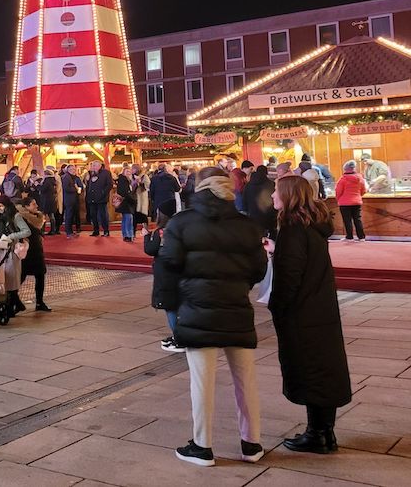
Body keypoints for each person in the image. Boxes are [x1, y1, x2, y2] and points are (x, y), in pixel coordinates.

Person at [159, 167, 268, 467]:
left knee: (202, 381)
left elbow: (170, 261)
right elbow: (259, 269)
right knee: (245, 380)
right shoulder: (247, 225)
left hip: (197, 310)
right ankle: (251, 443)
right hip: (236, 309)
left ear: (198, 187)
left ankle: (202, 446)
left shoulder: (181, 222)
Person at [271, 174, 352, 453]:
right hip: (321, 308)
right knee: (323, 368)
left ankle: (317, 434)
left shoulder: (293, 228)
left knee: (309, 370)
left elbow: (290, 276)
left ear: (289, 196)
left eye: (276, 191)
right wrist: (276, 251)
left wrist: (277, 306)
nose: (272, 196)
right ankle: (324, 431)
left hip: (302, 312)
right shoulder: (313, 225)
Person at [143, 225, 182, 352]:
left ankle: (180, 339)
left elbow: (150, 249)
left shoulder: (161, 230)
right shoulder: (184, 226)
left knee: (170, 307)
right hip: (182, 271)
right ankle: (182, 336)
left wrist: (146, 236)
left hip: (166, 273)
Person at [0, 194, 31, 315]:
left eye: (1, 206)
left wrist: (11, 236)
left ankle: (11, 306)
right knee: (6, 278)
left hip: (12, 251)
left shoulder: (16, 216)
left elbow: (26, 231)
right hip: (2, 250)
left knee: (11, 278)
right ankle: (16, 304)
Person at [15, 196, 50, 311]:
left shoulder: (38, 217)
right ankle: (12, 300)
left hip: (37, 249)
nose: (36, 206)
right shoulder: (21, 217)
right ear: (26, 207)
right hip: (27, 249)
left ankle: (39, 302)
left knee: (40, 275)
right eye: (33, 204)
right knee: (21, 276)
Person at [335, 160, 367, 241]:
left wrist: (338, 199)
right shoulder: (360, 178)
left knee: (347, 220)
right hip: (357, 202)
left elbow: (338, 192)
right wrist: (358, 196)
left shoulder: (342, 180)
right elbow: (364, 190)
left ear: (345, 169)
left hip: (344, 203)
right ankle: (361, 237)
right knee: (357, 219)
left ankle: (349, 236)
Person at [243, 164, 277, 239]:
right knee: (270, 238)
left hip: (253, 216)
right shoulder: (271, 183)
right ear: (266, 172)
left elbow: (244, 202)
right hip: (269, 216)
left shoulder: (248, 185)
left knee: (256, 237)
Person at [85, 160, 113, 237]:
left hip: (101, 198)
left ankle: (106, 231)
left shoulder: (106, 173)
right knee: (93, 215)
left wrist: (103, 193)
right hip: (91, 198)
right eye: (93, 165)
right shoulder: (90, 173)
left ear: (100, 166)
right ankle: (96, 230)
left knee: (103, 215)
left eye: (95, 165)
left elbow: (109, 184)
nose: (93, 167)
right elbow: (88, 185)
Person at [149, 163, 181, 228]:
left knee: (160, 221)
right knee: (170, 220)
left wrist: (153, 200)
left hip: (159, 201)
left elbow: (151, 191)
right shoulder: (172, 178)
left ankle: (160, 235)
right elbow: (177, 189)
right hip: (170, 201)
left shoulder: (154, 179)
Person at [60, 165, 84, 238]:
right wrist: (76, 189)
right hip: (69, 199)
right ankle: (69, 233)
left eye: (74, 169)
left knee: (71, 216)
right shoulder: (66, 177)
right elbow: (66, 188)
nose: (74, 170)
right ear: (68, 170)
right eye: (72, 169)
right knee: (69, 216)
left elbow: (80, 187)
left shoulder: (72, 177)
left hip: (73, 199)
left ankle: (70, 232)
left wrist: (78, 189)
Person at [116, 165, 136, 242]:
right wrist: (132, 199)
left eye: (129, 172)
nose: (129, 173)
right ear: (123, 172)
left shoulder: (123, 179)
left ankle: (126, 235)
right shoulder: (124, 180)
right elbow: (125, 192)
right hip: (126, 202)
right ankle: (128, 235)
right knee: (128, 219)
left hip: (125, 202)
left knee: (125, 219)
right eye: (127, 171)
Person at [39, 168, 59, 235]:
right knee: (51, 216)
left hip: (46, 200)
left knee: (43, 216)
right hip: (52, 199)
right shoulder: (53, 181)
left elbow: (43, 189)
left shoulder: (47, 181)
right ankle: (53, 230)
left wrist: (37, 185)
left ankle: (42, 230)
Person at [133, 165, 151, 235]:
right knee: (134, 215)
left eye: (133, 169)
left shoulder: (144, 176)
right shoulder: (132, 176)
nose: (132, 170)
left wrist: (141, 182)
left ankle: (146, 229)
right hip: (134, 198)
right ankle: (133, 232)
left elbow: (148, 186)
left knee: (143, 215)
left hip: (142, 197)